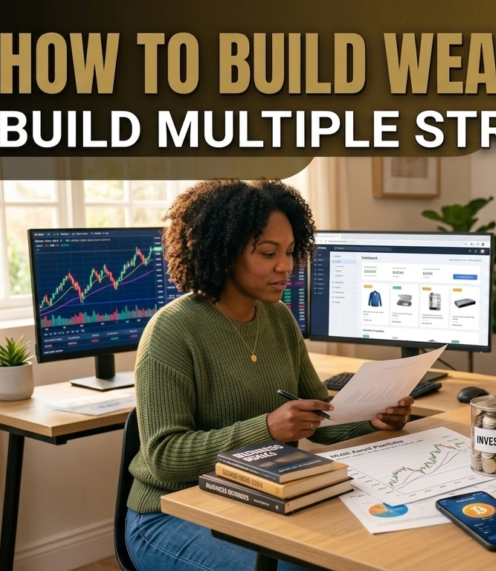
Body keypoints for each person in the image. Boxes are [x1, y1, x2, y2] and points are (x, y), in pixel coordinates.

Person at [125, 180, 415, 571]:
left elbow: (322, 420)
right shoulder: (173, 330)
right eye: (267, 253)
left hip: (260, 499)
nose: (286, 266)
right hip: (171, 514)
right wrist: (268, 428)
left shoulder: (278, 317)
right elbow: (163, 457)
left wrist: (373, 419)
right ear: (223, 252)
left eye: (291, 252)